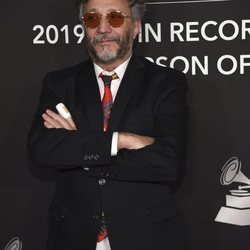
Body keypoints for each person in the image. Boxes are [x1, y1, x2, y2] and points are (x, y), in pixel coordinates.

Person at [28, 0, 188, 249]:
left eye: (114, 18)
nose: (103, 28)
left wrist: (78, 145)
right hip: (73, 235)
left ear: (135, 27)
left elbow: (168, 163)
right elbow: (41, 149)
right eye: (92, 19)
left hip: (145, 236)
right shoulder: (59, 83)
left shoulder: (166, 83)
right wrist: (121, 140)